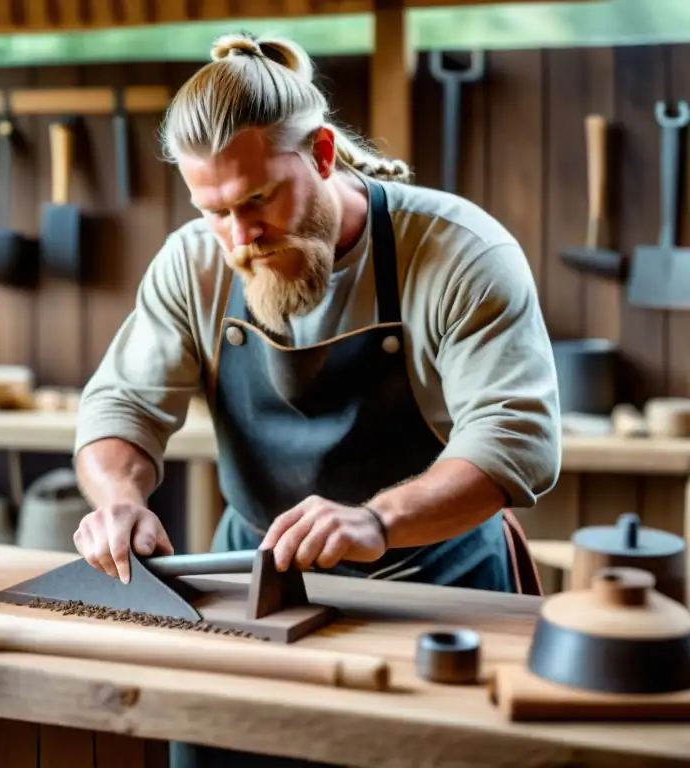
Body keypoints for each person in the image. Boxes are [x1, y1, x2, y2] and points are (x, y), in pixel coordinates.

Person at [70, 31, 561, 767]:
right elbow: (122, 408)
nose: (240, 238)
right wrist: (118, 498)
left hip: (438, 584)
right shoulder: (196, 263)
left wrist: (377, 520)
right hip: (257, 582)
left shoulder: (457, 252)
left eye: (258, 200)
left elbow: (513, 444)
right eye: (214, 210)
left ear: (323, 154)